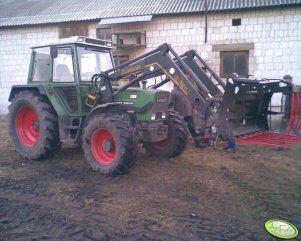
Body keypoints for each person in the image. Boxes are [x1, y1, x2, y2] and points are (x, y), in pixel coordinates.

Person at [170, 84, 205, 148]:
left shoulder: (187, 90)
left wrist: (194, 108)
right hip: (179, 114)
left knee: (192, 127)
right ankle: (182, 144)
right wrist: (173, 112)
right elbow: (171, 103)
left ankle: (198, 142)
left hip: (188, 112)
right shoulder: (174, 92)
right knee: (181, 129)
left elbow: (192, 100)